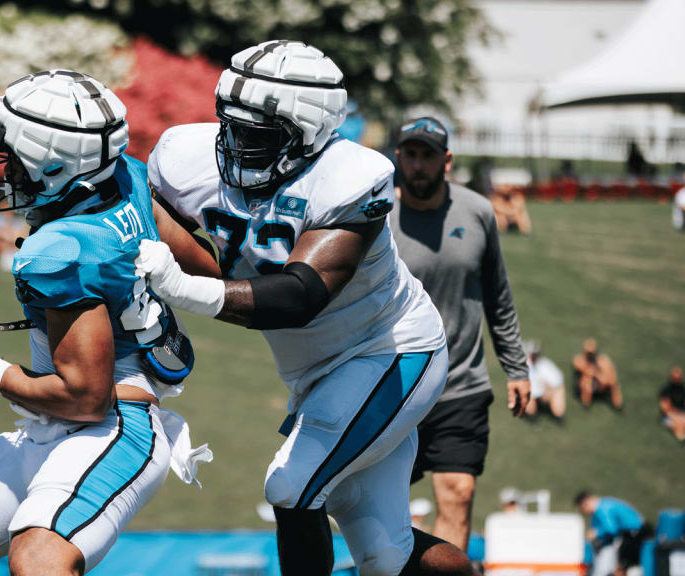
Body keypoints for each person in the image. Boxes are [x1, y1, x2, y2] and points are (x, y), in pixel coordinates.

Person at [139, 40, 472, 576]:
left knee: (290, 487)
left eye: (257, 133)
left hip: (389, 352)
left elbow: (299, 297)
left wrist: (178, 287)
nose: (235, 144)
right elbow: (150, 225)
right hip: (313, 370)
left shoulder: (350, 177)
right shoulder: (185, 155)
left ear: (309, 131)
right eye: (231, 125)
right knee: (388, 559)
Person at [0, 70, 209, 576]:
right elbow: (205, 264)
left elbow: (87, 399)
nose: (5, 171)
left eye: (15, 159)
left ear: (54, 163)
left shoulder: (60, 251)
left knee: (38, 561)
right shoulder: (125, 177)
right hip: (55, 426)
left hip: (117, 426)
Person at [388, 116, 531, 552]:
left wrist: (517, 367)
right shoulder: (377, 218)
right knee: (384, 504)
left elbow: (498, 296)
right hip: (392, 384)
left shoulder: (478, 212)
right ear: (399, 158)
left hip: (461, 383)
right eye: (410, 155)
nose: (418, 165)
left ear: (446, 161)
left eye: (427, 156)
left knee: (458, 493)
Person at [575, 491, 648, 576]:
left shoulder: (601, 509)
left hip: (633, 535)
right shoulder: (606, 503)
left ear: (585, 503)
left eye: (583, 509)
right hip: (635, 533)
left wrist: (596, 533)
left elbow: (611, 529)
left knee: (622, 567)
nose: (585, 512)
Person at [572, 339, 622, 409]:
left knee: (613, 382)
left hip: (600, 383)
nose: (590, 355)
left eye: (591, 353)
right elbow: (585, 370)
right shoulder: (579, 359)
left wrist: (601, 377)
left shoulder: (602, 360)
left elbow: (609, 373)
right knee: (587, 381)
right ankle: (586, 403)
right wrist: (597, 374)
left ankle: (617, 404)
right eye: (588, 353)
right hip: (586, 383)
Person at [524, 340, 566, 419]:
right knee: (530, 409)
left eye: (535, 354)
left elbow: (557, 380)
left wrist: (548, 389)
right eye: (532, 353)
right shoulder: (524, 365)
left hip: (545, 393)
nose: (534, 356)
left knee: (558, 410)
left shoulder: (545, 364)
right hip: (530, 393)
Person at [658, 366, 685, 441]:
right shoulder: (666, 390)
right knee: (677, 422)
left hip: (682, 414)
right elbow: (665, 408)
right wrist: (677, 416)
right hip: (669, 416)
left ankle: (680, 432)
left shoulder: (683, 389)